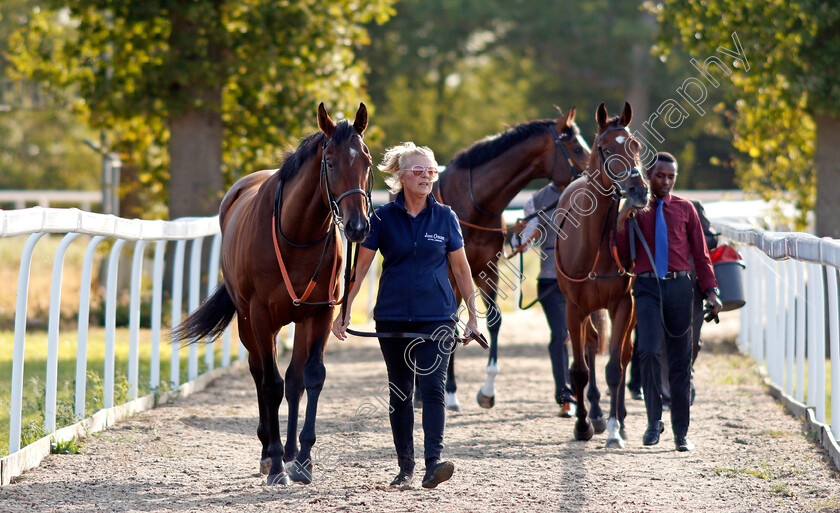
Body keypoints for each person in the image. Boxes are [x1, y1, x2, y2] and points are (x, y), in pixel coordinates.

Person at [332, 142, 483, 489]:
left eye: (432, 170)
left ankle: (433, 464)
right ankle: (405, 469)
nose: (427, 176)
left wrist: (473, 316)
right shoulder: (381, 218)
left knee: (433, 388)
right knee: (400, 391)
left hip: (438, 318)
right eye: (419, 170)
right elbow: (361, 267)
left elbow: (461, 270)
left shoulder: (445, 217)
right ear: (401, 177)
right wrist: (345, 309)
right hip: (393, 318)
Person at [616, 152, 722, 452]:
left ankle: (681, 432)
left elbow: (701, 255)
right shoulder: (638, 209)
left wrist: (712, 291)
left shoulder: (685, 209)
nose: (665, 181)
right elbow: (622, 254)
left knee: (680, 361)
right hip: (647, 287)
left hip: (680, 289)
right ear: (649, 175)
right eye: (660, 175)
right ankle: (653, 422)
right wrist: (624, 216)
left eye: (670, 176)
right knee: (648, 353)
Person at [514, 182, 576, 417]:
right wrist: (520, 236)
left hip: (583, 282)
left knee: (584, 338)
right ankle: (564, 395)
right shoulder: (537, 200)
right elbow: (522, 244)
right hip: (551, 281)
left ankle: (582, 389)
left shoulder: (587, 191)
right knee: (560, 335)